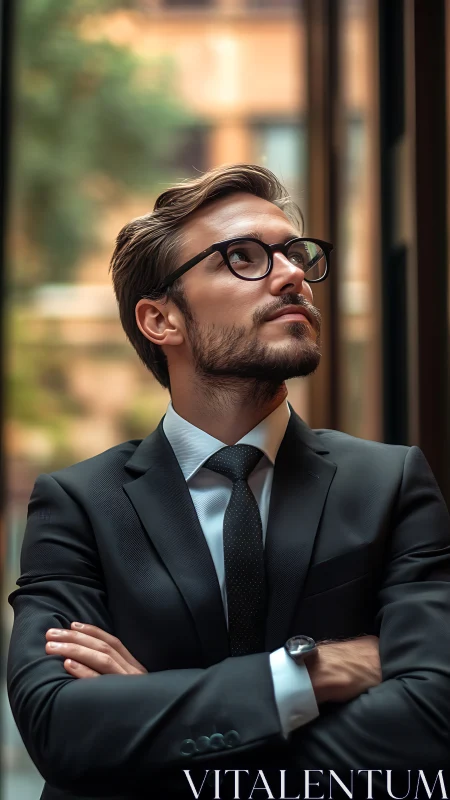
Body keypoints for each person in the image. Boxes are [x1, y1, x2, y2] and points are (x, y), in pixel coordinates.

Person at [7, 164, 450, 800]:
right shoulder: (77, 504)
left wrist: (150, 726)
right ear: (161, 320)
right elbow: (59, 728)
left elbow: (431, 721)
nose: (293, 274)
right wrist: (307, 674)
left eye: (294, 254)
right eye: (242, 257)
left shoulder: (390, 483)